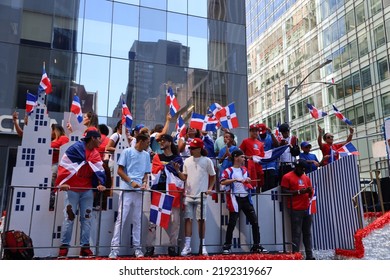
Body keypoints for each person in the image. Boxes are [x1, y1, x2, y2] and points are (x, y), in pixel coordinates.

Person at [56, 130, 106, 258]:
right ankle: (64, 247)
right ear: (93, 138)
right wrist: (62, 182)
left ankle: (85, 247)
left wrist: (100, 183)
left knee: (87, 219)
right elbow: (64, 165)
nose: (101, 141)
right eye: (99, 138)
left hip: (87, 190)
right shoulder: (75, 149)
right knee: (69, 218)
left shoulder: (95, 154)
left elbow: (99, 170)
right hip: (72, 189)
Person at [108, 133, 151, 259]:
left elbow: (146, 174)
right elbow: (120, 171)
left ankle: (137, 248)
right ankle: (114, 249)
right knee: (121, 219)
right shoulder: (127, 152)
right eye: (147, 142)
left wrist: (144, 183)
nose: (149, 144)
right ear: (141, 141)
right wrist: (131, 182)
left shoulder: (147, 155)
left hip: (139, 192)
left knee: (137, 220)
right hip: (127, 191)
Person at [220, 149, 268, 255]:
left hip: (246, 198)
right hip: (235, 198)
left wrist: (248, 181)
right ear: (236, 157)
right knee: (232, 223)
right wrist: (234, 180)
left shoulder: (244, 170)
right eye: (242, 157)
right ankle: (227, 246)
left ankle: (256, 245)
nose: (244, 158)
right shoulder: (228, 170)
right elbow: (222, 181)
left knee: (255, 222)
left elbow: (246, 183)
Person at [174, 138, 216, 256]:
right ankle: (187, 246)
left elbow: (213, 176)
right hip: (188, 195)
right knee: (188, 219)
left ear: (200, 149)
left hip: (201, 195)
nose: (191, 149)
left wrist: (210, 188)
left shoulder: (207, 161)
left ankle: (202, 246)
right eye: (190, 147)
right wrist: (178, 171)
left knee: (201, 220)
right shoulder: (187, 161)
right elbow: (184, 178)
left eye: (193, 148)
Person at [145, 134, 184, 257]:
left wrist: (175, 170)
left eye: (163, 140)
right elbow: (155, 171)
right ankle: (150, 247)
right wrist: (166, 168)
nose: (161, 143)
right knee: (153, 221)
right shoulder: (157, 157)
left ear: (170, 142)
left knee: (175, 221)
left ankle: (172, 247)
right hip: (159, 191)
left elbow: (181, 176)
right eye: (159, 141)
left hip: (173, 193)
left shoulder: (178, 159)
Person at [280, 159, 315, 260]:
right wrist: (299, 192)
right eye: (301, 169)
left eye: (304, 170)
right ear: (296, 167)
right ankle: (296, 256)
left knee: (307, 232)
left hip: (306, 208)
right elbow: (284, 191)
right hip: (295, 208)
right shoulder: (287, 177)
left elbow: (310, 193)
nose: (303, 171)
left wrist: (309, 191)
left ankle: (309, 255)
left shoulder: (306, 178)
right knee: (296, 233)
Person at [50, 124, 69, 211]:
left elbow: (65, 150)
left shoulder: (63, 138)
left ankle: (54, 200)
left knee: (53, 181)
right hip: (50, 164)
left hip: (58, 164)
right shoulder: (52, 140)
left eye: (52, 130)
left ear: (55, 130)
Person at [239, 124, 265, 189]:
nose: (255, 133)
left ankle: (258, 196)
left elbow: (262, 155)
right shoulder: (245, 141)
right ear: (250, 132)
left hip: (258, 166)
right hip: (249, 166)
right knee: (250, 181)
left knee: (259, 183)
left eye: (256, 131)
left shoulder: (260, 143)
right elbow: (240, 152)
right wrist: (248, 157)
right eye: (253, 131)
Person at [257, 123, 279, 192]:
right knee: (263, 187)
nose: (261, 135)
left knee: (272, 185)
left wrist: (271, 133)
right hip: (261, 166)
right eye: (260, 133)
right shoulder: (257, 139)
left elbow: (277, 145)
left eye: (263, 133)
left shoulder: (270, 137)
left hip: (271, 165)